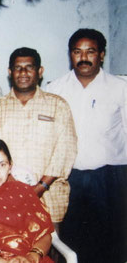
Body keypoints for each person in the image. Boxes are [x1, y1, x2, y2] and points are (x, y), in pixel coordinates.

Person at [45, 28, 127, 263]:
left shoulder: (120, 87)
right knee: (73, 241)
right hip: (72, 179)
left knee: (114, 241)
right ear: (70, 55)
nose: (83, 57)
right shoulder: (56, 89)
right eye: (77, 52)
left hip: (111, 179)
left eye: (90, 51)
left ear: (101, 55)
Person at [0, 47, 77, 228]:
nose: (23, 72)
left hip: (49, 195)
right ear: (10, 72)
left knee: (52, 250)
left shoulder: (58, 106)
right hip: (4, 193)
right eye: (18, 68)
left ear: (40, 72)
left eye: (29, 67)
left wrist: (40, 187)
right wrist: (13, 187)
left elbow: (65, 151)